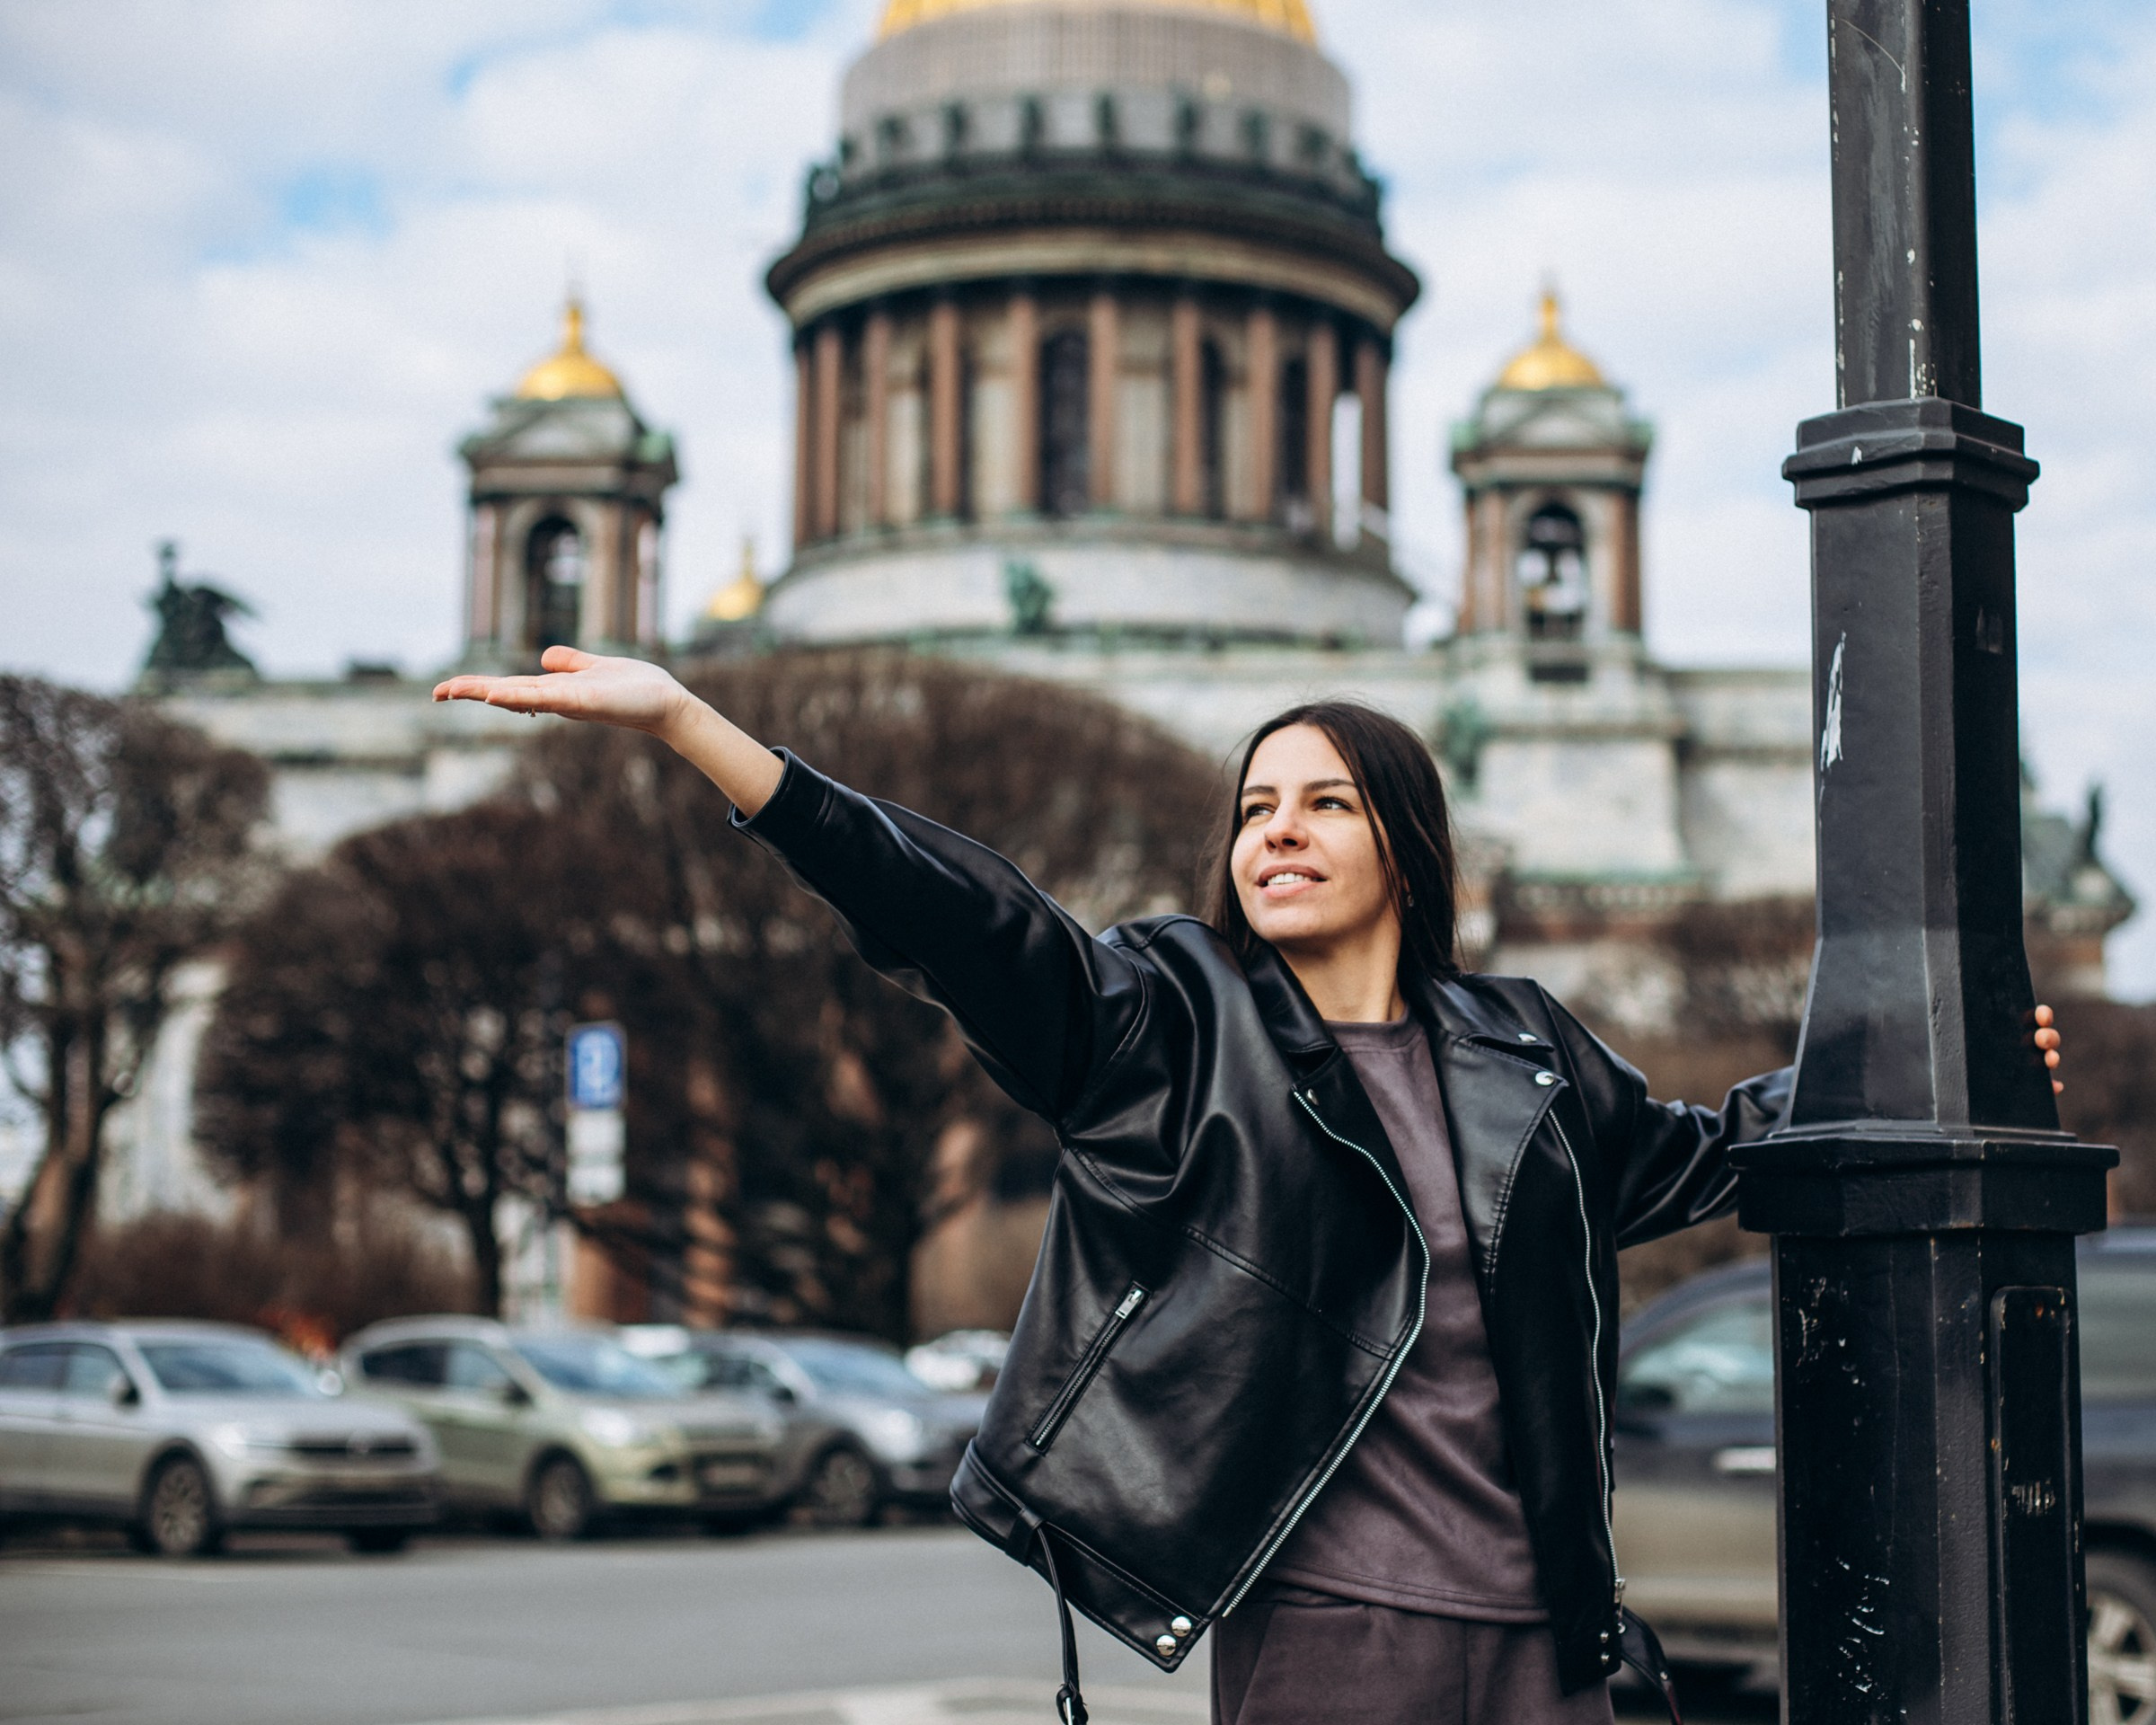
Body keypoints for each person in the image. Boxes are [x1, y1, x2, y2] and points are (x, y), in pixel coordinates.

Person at [436, 650, 2065, 1725]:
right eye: (1253, 810)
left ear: (1408, 850)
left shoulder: (1524, 1051)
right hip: (1336, 1633)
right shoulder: (1165, 1023)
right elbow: (963, 919)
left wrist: (1955, 1070)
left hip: (1560, 1636)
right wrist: (698, 735)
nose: (1273, 834)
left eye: (1324, 803)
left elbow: (1716, 1148)